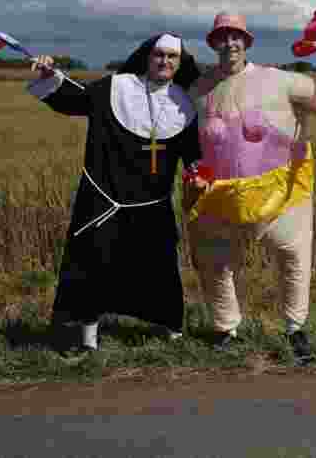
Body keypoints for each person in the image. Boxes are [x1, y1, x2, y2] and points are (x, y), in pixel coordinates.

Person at [185, 13, 316, 364]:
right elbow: (179, 131)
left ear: (247, 42)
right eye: (223, 37)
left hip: (281, 193)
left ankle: (296, 329)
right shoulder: (198, 90)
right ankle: (225, 329)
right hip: (220, 197)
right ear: (213, 43)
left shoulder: (277, 80)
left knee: (293, 257)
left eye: (236, 37)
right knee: (214, 264)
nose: (230, 43)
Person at [27, 34, 202, 355]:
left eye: (172, 57)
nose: (164, 62)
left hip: (152, 204)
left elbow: (191, 150)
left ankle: (174, 334)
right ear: (147, 57)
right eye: (158, 55)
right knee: (94, 265)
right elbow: (74, 98)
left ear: (180, 63)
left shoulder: (184, 104)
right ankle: (88, 341)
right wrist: (48, 75)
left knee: (160, 267)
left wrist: (196, 170)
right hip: (104, 199)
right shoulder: (115, 88)